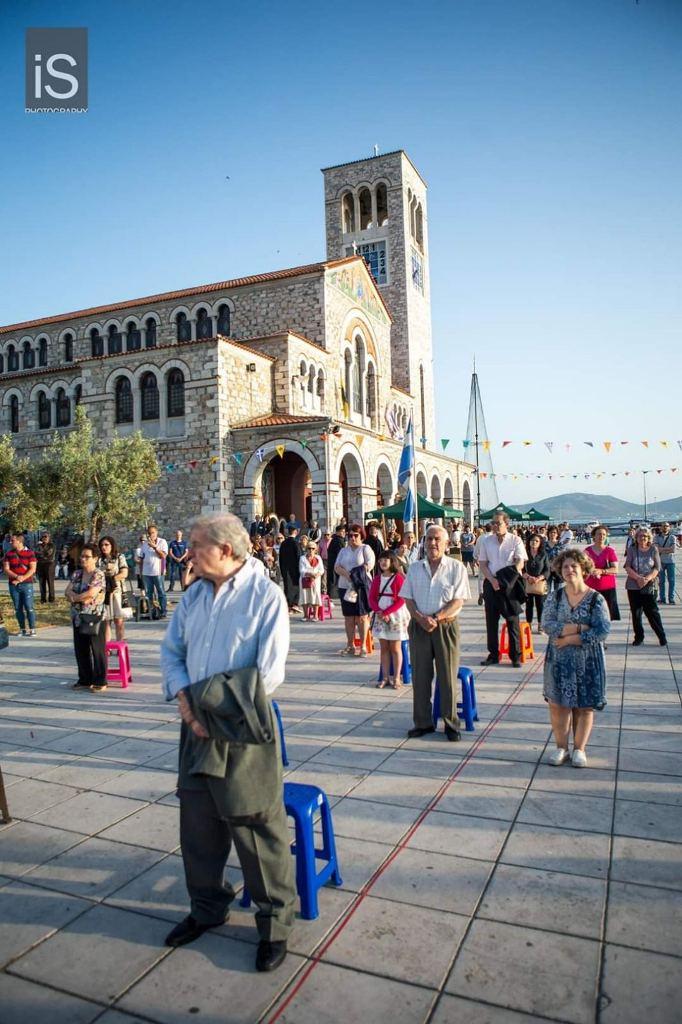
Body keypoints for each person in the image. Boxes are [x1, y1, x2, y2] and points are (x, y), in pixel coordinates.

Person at [160, 512, 296, 972]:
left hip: (241, 730)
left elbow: (268, 674)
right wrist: (185, 700)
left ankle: (274, 924)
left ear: (225, 550)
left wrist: (204, 700)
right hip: (194, 728)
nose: (188, 553)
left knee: (256, 829)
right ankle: (207, 908)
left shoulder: (265, 596)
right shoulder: (193, 596)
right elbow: (171, 650)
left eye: (196, 545)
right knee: (197, 826)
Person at [541, 548, 610, 768]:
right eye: (565, 567)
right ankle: (561, 747)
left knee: (584, 706)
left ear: (583, 569)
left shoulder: (595, 599)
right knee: (558, 705)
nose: (569, 570)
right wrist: (579, 627)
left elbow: (601, 630)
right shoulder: (556, 595)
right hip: (558, 660)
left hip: (587, 660)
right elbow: (547, 624)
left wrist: (570, 638)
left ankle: (580, 749)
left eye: (574, 566)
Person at [401, 525, 471, 740]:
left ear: (447, 544)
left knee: (447, 676)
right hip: (419, 626)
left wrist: (436, 618)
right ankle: (423, 722)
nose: (432, 543)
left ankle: (451, 724)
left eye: (437, 539)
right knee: (420, 676)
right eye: (429, 539)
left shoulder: (456, 568)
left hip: (445, 626)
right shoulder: (415, 568)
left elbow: (458, 599)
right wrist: (420, 618)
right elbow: (407, 597)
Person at [478, 513, 527, 667]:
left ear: (506, 524)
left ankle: (515, 656)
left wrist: (508, 579)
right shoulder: (486, 541)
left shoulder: (515, 540)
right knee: (491, 622)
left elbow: (520, 562)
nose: (495, 526)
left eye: (498, 523)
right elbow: (483, 564)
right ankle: (493, 654)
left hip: (509, 585)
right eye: (493, 523)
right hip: (491, 584)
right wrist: (492, 580)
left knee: (512, 620)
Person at [65, 544, 107, 692]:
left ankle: (100, 680)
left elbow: (92, 593)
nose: (83, 559)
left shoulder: (98, 574)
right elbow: (67, 591)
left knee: (97, 649)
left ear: (95, 558)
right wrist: (77, 598)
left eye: (87, 556)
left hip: (94, 617)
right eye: (82, 556)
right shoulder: (77, 574)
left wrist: (74, 598)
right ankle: (84, 679)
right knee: (80, 648)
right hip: (78, 616)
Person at [369, 551, 410, 689]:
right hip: (381, 614)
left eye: (386, 560)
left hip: (395, 615)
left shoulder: (398, 578)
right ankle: (385, 677)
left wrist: (387, 612)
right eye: (381, 560)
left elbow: (401, 599)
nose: (383, 562)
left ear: (392, 562)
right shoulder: (377, 579)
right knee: (384, 647)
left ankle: (397, 677)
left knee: (395, 647)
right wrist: (379, 611)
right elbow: (372, 598)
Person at [334, 524, 375, 656]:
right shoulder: (343, 551)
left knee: (362, 617)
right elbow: (337, 567)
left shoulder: (365, 549)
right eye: (350, 535)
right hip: (345, 586)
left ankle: (362, 645)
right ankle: (350, 644)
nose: (352, 538)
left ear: (361, 536)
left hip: (361, 587)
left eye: (355, 535)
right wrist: (348, 575)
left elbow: (369, 564)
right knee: (349, 617)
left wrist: (355, 576)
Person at [625, 527, 667, 646]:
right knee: (636, 613)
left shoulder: (653, 549)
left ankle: (661, 636)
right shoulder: (632, 549)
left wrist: (647, 579)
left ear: (649, 537)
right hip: (633, 585)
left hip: (649, 585)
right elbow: (627, 567)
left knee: (652, 612)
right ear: (636, 537)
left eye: (645, 536)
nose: (642, 538)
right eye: (640, 536)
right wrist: (638, 578)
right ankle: (639, 637)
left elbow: (657, 568)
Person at [3, 533, 38, 637]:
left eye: (12, 540)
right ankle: (22, 629)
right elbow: (6, 569)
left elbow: (33, 569)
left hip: (27, 584)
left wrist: (22, 578)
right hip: (13, 585)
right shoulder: (8, 554)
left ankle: (32, 629)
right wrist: (17, 577)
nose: (10, 542)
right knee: (18, 608)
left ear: (19, 541)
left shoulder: (30, 553)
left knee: (29, 607)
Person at [584, 526, 620, 621]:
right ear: (594, 536)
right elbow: (582, 568)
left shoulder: (610, 551)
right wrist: (590, 570)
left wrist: (602, 571)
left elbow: (615, 569)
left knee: (606, 617)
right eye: (599, 534)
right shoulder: (587, 551)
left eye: (604, 534)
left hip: (608, 588)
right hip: (591, 588)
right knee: (590, 616)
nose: (602, 536)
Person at [98, 536, 129, 643]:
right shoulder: (99, 560)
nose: (104, 547)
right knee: (106, 620)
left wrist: (111, 579)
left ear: (112, 545)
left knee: (118, 620)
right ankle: (107, 646)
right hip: (103, 593)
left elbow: (124, 573)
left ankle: (120, 645)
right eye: (102, 545)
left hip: (117, 592)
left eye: (106, 545)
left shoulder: (119, 557)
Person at [140, 525, 169, 618]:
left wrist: (155, 547)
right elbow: (141, 558)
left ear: (156, 533)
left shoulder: (162, 542)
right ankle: (151, 611)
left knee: (161, 592)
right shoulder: (145, 544)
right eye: (149, 533)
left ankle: (163, 611)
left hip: (158, 572)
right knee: (149, 593)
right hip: (146, 572)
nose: (151, 535)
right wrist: (141, 572)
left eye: (152, 532)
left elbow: (163, 556)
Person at [523, 534, 550, 632]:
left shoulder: (543, 555)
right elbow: (520, 569)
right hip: (528, 582)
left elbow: (547, 570)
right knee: (528, 605)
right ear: (529, 542)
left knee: (541, 605)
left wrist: (539, 578)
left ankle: (540, 625)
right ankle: (528, 625)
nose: (534, 542)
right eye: (532, 540)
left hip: (540, 583)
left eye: (536, 541)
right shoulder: (525, 554)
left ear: (540, 543)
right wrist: (528, 577)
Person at [278, 527, 301, 613]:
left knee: (287, 586)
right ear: (295, 532)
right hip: (294, 568)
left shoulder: (283, 543)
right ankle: (294, 604)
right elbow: (298, 556)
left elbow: (280, 557)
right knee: (295, 586)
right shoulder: (296, 543)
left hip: (285, 568)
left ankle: (288, 605)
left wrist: (281, 568)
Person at [298, 541, 324, 618]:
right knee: (305, 596)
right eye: (309, 548)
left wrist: (317, 574)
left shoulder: (318, 558)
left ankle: (315, 615)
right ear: (306, 549)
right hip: (305, 580)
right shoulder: (302, 558)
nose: (311, 550)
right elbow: (301, 570)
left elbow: (322, 570)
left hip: (316, 580)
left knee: (315, 596)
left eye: (313, 548)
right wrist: (310, 574)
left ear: (315, 549)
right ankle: (306, 616)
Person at [654, 523, 676, 605]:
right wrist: (667, 549)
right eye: (663, 526)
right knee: (661, 582)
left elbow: (673, 550)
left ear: (669, 528)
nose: (665, 527)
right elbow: (656, 549)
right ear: (660, 527)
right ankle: (662, 598)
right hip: (660, 562)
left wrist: (661, 549)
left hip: (671, 562)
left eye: (667, 526)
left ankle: (671, 599)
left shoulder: (672, 537)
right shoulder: (656, 537)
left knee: (672, 581)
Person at [326, 524, 347, 600]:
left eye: (344, 532)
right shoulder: (339, 540)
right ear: (338, 532)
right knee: (334, 580)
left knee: (332, 579)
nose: (344, 533)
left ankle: (331, 594)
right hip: (336, 563)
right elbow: (341, 553)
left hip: (332, 563)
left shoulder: (334, 539)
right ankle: (332, 595)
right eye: (342, 532)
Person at [36, 531, 56, 604]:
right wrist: (41, 552)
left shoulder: (52, 545)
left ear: (49, 537)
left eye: (45, 536)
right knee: (41, 582)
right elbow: (35, 553)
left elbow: (48, 553)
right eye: (43, 536)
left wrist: (41, 552)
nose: (44, 538)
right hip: (40, 565)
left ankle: (51, 599)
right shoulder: (38, 545)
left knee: (50, 582)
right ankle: (43, 599)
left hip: (49, 565)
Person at [544, 526, 563, 593]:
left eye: (554, 532)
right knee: (547, 591)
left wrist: (555, 566)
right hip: (546, 569)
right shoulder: (544, 544)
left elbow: (563, 557)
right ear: (548, 533)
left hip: (557, 570)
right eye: (551, 532)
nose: (552, 534)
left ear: (557, 534)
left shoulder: (561, 544)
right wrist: (549, 565)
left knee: (558, 591)